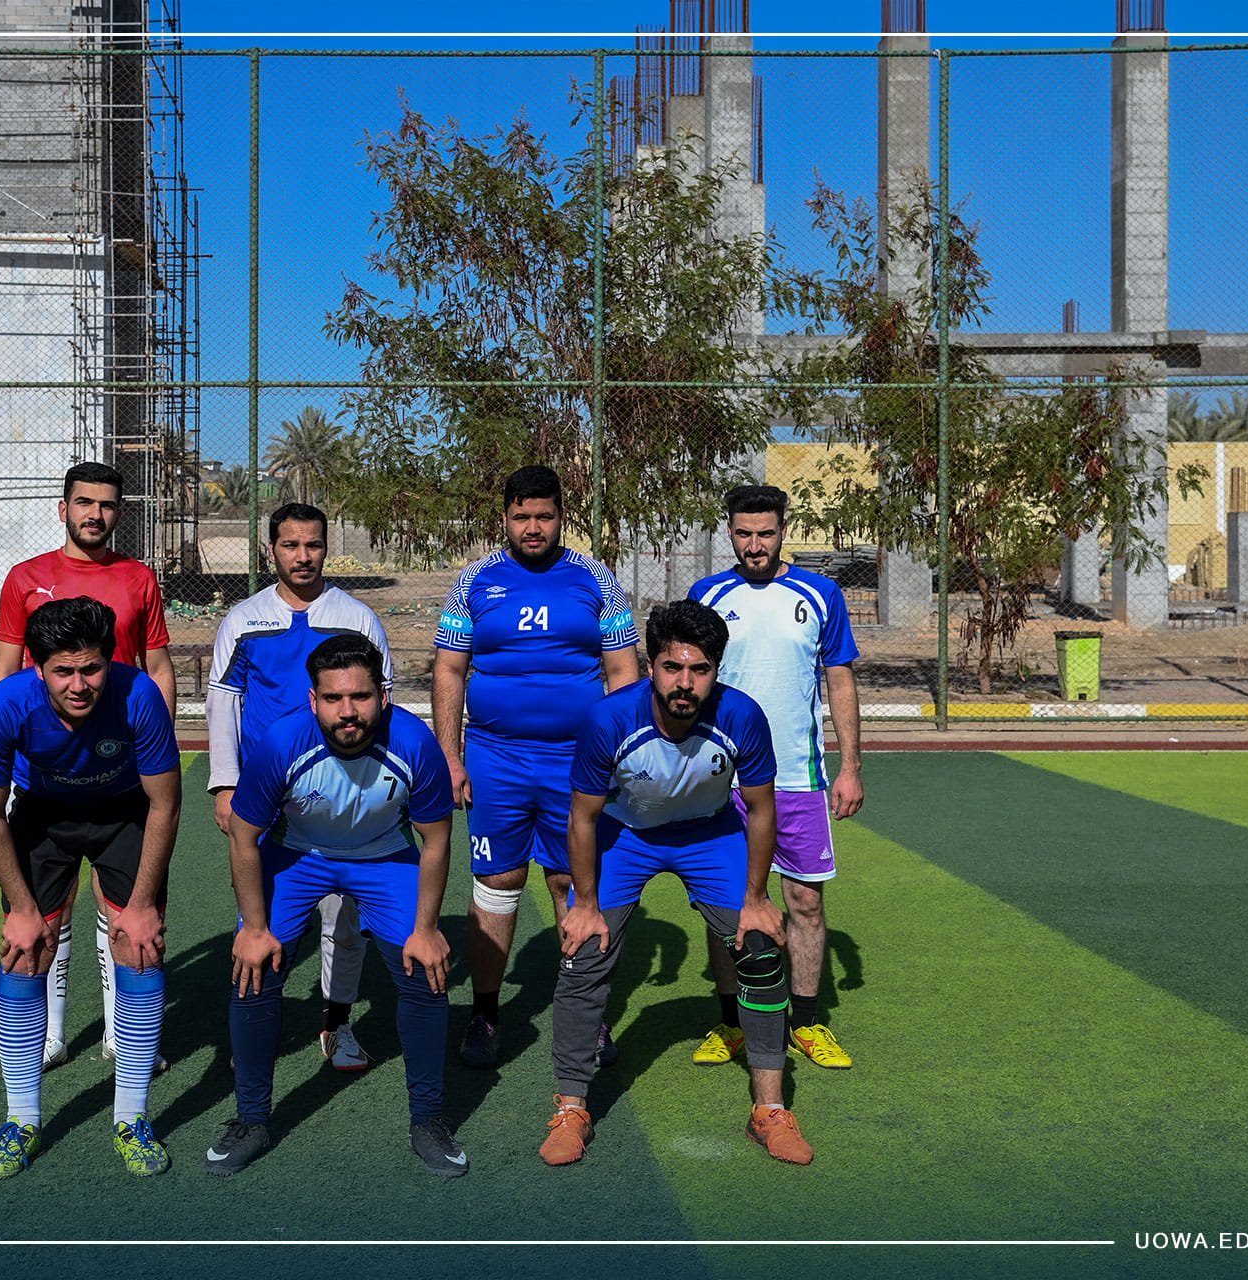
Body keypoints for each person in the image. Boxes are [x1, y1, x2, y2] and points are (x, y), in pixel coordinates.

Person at [539, 600, 813, 1167]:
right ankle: (571, 1108)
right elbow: (583, 817)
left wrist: (757, 899)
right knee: (584, 949)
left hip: (709, 834)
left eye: (699, 669)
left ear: (717, 670)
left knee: (760, 947)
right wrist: (584, 904)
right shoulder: (609, 720)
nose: (684, 683)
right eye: (672, 667)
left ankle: (769, 1110)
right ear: (651, 667)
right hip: (626, 833)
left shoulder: (742, 716)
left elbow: (762, 810)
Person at [205, 635, 467, 1178]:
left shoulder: (415, 742)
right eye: (332, 698)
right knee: (254, 968)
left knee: (426, 972)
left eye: (361, 696)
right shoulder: (282, 742)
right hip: (298, 854)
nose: (347, 711)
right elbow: (244, 836)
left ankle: (428, 1120)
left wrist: (426, 928)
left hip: (383, 855)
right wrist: (254, 927)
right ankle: (251, 1120)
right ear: (313, 700)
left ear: (384, 696)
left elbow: (437, 839)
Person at [0, 596, 181, 1179]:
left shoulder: (139, 695)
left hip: (124, 813)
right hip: (43, 816)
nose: (80, 685)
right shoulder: (6, 705)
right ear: (37, 667)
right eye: (63, 671)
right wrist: (20, 908)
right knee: (25, 951)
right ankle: (21, 1120)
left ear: (110, 661)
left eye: (91, 668)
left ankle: (131, 1118)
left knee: (139, 947)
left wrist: (142, 905)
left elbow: (165, 805)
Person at [433, 465, 639, 1069]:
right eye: (521, 516)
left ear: (561, 518)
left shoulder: (596, 580)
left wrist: (622, 755)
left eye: (543, 516)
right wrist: (449, 755)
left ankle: (586, 1014)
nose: (532, 527)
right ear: (504, 518)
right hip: (495, 759)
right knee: (498, 882)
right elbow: (449, 670)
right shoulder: (474, 581)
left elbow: (623, 673)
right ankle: (486, 1014)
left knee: (570, 882)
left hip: (577, 763)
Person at [0, 460, 176, 1075]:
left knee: (126, 910)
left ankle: (123, 1035)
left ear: (120, 512)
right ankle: (50, 1034)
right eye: (84, 502)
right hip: (44, 775)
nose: (95, 514)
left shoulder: (138, 578)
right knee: (48, 909)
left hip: (120, 772)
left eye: (107, 504)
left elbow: (157, 670)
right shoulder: (25, 578)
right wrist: (10, 748)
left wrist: (154, 743)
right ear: (63, 508)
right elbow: (6, 672)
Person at [206, 502, 392, 1071]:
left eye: (313, 545)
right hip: (267, 800)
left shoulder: (357, 618)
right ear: (272, 551)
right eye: (291, 545)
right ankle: (254, 1028)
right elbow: (224, 703)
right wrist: (225, 785)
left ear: (326, 548)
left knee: (344, 919)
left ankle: (338, 1025)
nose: (303, 556)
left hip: (344, 795)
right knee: (258, 917)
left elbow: (381, 707)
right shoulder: (243, 620)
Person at [688, 484, 864, 1069]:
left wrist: (850, 767)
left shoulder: (820, 593)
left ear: (783, 531)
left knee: (804, 901)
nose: (755, 544)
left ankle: (806, 1023)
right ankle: (730, 1022)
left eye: (765, 533)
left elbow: (839, 680)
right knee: (724, 903)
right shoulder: (707, 594)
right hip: (723, 779)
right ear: (730, 533)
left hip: (797, 778)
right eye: (744, 533)